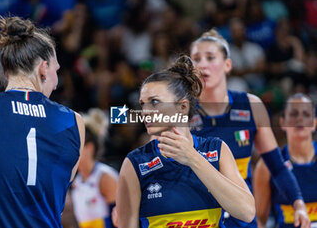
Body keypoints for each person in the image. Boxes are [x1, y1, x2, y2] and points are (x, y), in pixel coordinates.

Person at [0, 16, 85, 228]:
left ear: (6, 70)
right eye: (56, 71)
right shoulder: (74, 122)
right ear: (43, 68)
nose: (56, 83)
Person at [189, 29, 310, 228]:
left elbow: (277, 167)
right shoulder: (180, 110)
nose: (203, 64)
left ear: (228, 65)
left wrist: (298, 204)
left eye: (210, 57)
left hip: (241, 217)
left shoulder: (251, 105)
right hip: (199, 216)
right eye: (196, 59)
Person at [116, 56, 255, 228]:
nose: (145, 111)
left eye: (154, 102)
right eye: (142, 104)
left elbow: (247, 212)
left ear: (183, 107)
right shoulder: (135, 163)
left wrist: (192, 158)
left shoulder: (216, 149)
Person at [254, 93, 317, 228]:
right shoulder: (267, 164)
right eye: (294, 114)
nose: (300, 119)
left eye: (306, 115)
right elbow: (260, 219)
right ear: (282, 122)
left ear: (314, 123)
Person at [70, 108, 118, 228]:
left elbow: (121, 220)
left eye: (76, 145)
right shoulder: (76, 183)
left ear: (89, 148)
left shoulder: (105, 177)